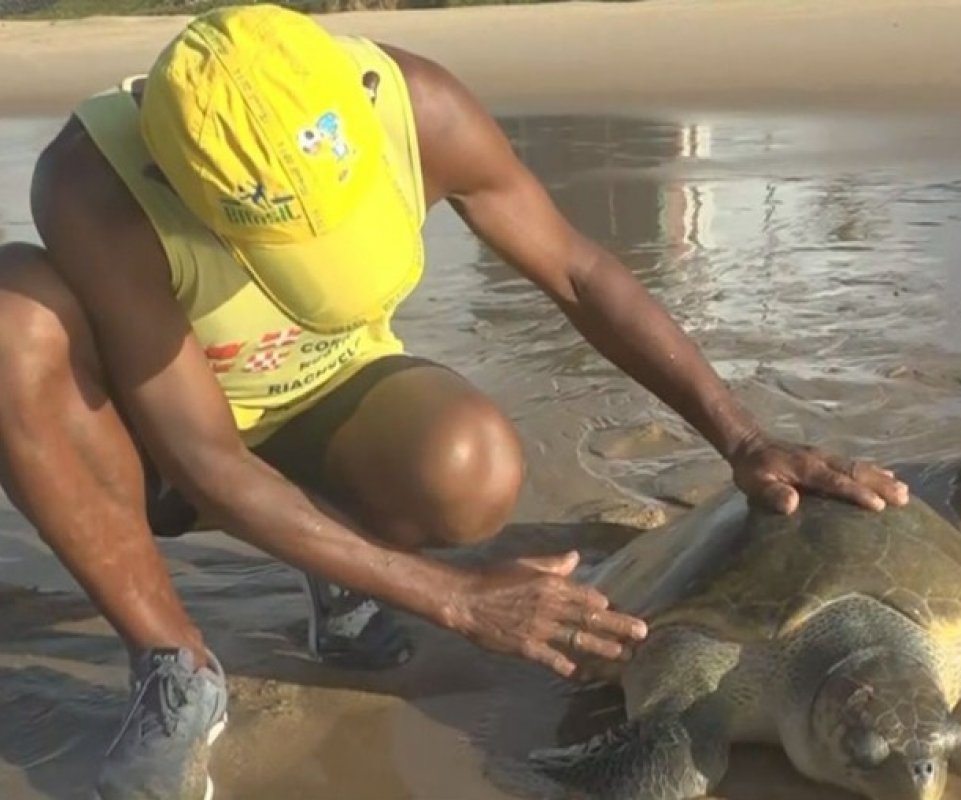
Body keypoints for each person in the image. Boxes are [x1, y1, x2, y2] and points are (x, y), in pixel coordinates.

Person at [0, 4, 909, 798]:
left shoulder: (418, 106)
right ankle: (173, 664)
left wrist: (741, 437)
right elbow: (207, 461)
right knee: (11, 322)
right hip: (159, 444)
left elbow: (579, 271)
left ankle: (341, 564)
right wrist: (458, 600)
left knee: (469, 465)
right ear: (173, 182)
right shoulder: (93, 185)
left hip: (324, 399)